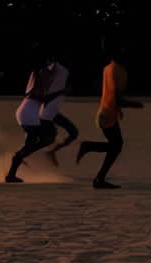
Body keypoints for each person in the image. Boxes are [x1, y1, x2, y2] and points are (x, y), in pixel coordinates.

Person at [76, 45, 142, 189]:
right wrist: (132, 104)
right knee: (116, 146)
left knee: (116, 146)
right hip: (106, 114)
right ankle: (89, 151)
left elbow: (113, 94)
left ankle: (99, 177)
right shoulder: (114, 69)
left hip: (108, 113)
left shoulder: (111, 68)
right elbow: (113, 95)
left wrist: (120, 108)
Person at [5, 58, 54, 183]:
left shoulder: (38, 72)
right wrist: (49, 98)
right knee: (47, 137)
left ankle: (15, 166)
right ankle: (19, 157)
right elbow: (37, 95)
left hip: (27, 110)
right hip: (29, 112)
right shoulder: (43, 73)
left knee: (37, 141)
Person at [40, 55, 79, 166]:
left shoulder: (64, 71)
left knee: (73, 133)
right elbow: (46, 95)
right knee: (47, 139)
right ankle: (22, 156)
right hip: (46, 114)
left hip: (52, 113)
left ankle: (51, 151)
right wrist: (62, 91)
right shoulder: (55, 68)